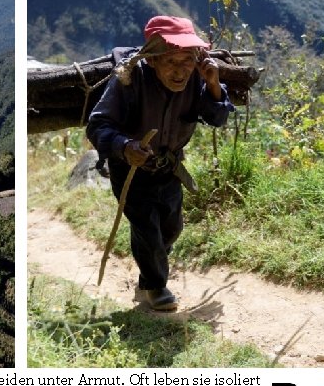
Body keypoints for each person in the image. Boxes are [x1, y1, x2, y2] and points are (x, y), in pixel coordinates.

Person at [86, 15, 234, 311]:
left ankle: (148, 268)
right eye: (171, 63)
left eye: (186, 62)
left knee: (172, 228)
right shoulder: (129, 79)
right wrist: (125, 147)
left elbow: (218, 118)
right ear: (152, 60)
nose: (180, 72)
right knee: (148, 230)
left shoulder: (196, 79)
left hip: (169, 169)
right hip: (131, 171)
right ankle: (155, 286)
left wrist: (215, 86)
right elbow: (98, 125)